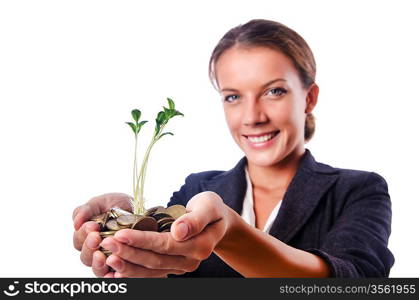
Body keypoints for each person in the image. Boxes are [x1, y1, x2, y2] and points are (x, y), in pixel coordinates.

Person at [72, 19, 394, 277]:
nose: (252, 117)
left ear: (309, 98)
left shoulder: (358, 190)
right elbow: (164, 269)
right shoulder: (197, 187)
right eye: (233, 97)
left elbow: (355, 280)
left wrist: (231, 233)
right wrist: (128, 247)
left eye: (274, 92)